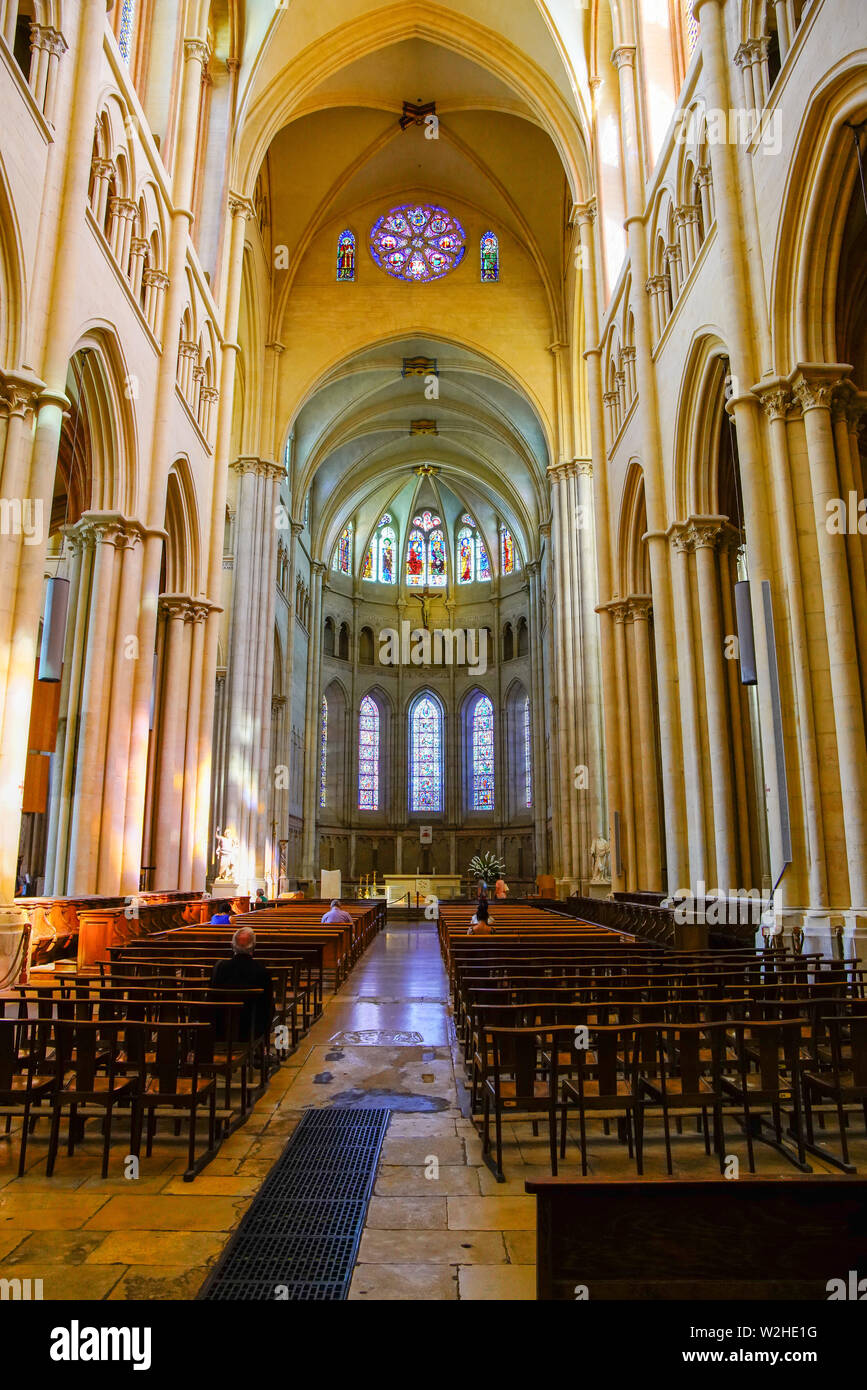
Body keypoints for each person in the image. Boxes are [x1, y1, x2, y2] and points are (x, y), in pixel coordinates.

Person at [209, 926, 274, 1043]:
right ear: (254, 946)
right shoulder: (261, 971)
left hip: (221, 1029)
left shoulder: (219, 968)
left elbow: (211, 999)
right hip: (251, 1030)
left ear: (232, 946)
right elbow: (268, 1007)